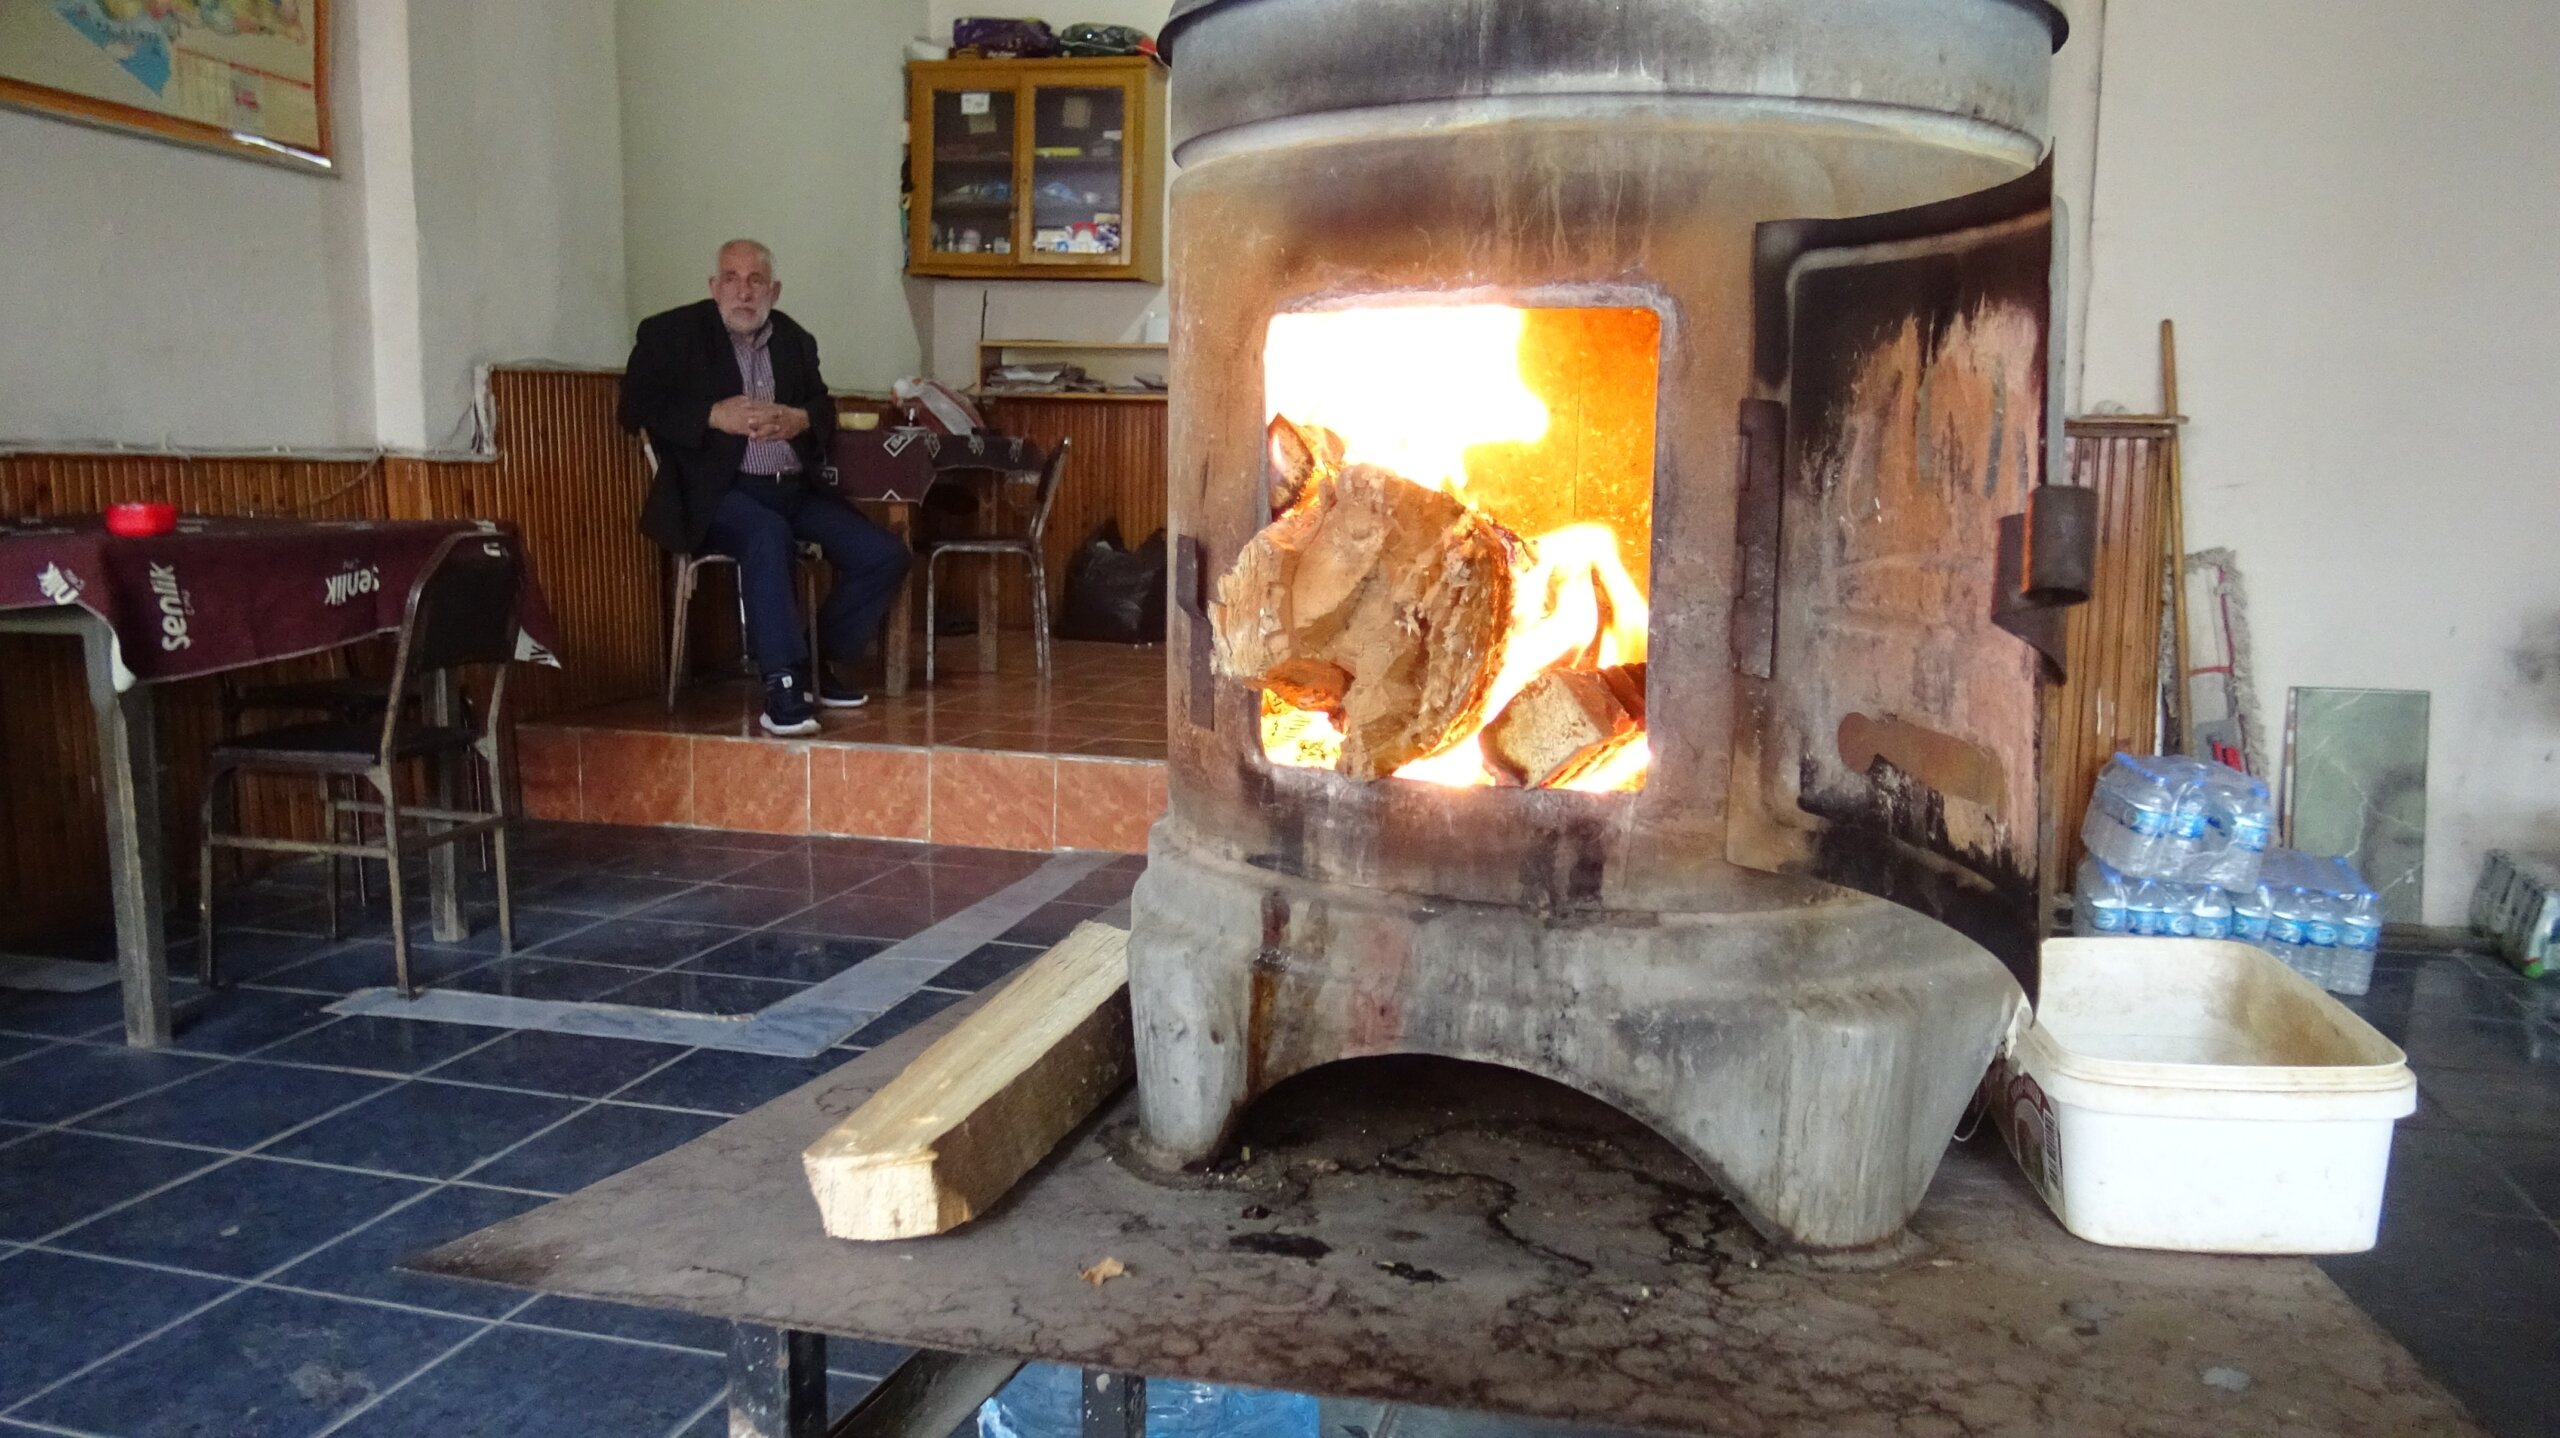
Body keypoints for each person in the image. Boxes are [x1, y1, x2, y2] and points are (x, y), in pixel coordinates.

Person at [620, 239, 911, 736]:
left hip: (792, 489)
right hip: (716, 494)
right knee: (765, 534)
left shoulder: (795, 340)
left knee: (883, 553)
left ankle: (820, 659)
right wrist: (713, 415)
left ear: (774, 290)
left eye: (756, 280)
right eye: (731, 279)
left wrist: (798, 418)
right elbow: (633, 409)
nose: (743, 291)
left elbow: (822, 409)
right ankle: (782, 685)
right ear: (714, 288)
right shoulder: (671, 334)